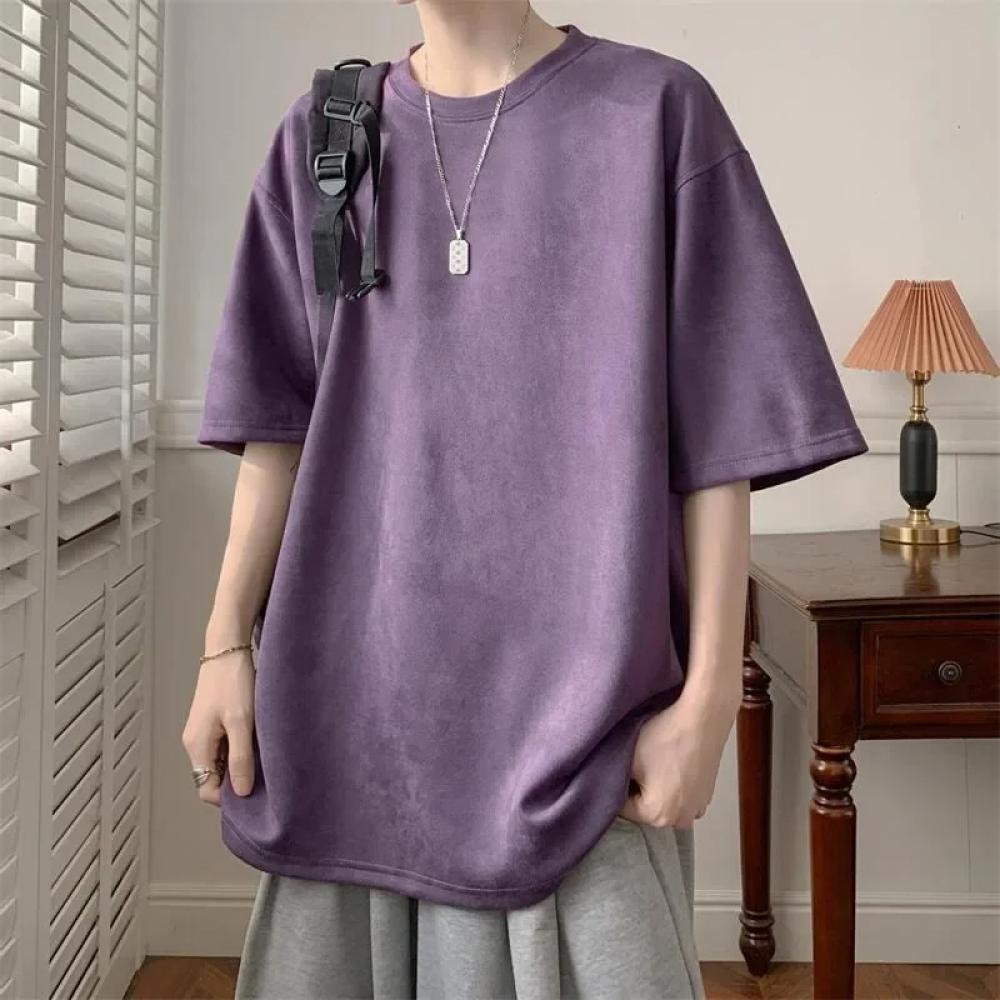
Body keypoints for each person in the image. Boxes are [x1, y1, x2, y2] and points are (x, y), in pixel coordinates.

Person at [184, 2, 869, 997]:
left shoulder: (655, 112)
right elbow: (276, 428)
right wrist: (223, 647)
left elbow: (721, 437)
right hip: (346, 726)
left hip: (582, 740)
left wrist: (711, 696)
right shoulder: (324, 136)